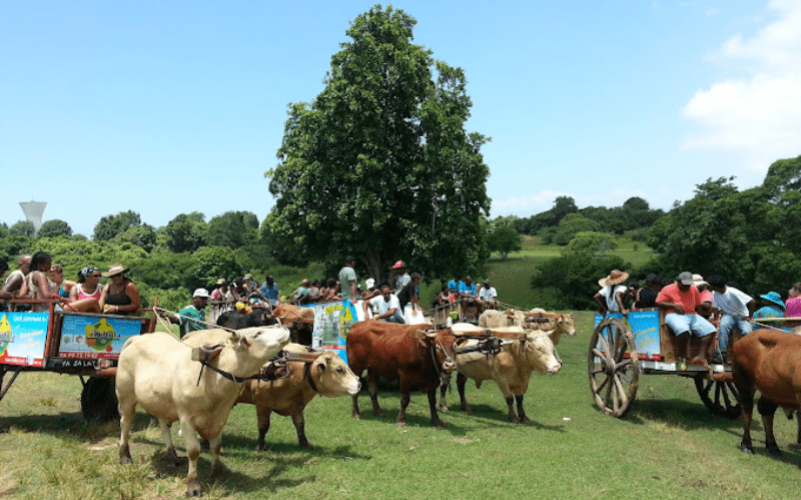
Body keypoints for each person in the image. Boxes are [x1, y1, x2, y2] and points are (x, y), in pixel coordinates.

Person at [655, 271, 716, 370]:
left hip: (691, 315)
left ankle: (701, 356)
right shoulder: (668, 289)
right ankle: (682, 358)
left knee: (711, 330)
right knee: (683, 329)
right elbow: (658, 302)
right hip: (673, 314)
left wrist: (701, 318)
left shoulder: (693, 289)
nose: (687, 287)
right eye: (684, 285)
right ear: (678, 281)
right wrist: (674, 306)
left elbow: (698, 305)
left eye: (688, 285)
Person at [707, 274, 755, 360]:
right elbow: (715, 307)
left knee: (746, 332)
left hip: (742, 316)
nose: (710, 287)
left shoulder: (733, 292)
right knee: (723, 327)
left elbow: (752, 301)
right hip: (728, 315)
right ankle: (722, 353)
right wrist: (715, 318)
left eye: (711, 285)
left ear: (715, 286)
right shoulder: (715, 293)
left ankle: (751, 352)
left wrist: (750, 317)